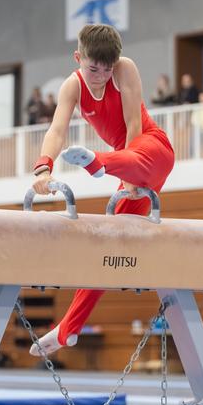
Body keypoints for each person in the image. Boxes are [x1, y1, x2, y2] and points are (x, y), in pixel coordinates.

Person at [29, 24, 175, 357]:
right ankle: (67, 329)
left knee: (134, 155)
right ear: (79, 57)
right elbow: (56, 129)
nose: (100, 75)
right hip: (134, 177)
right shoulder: (73, 86)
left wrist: (129, 181)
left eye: (106, 69)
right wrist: (44, 166)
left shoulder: (125, 69)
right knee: (106, 253)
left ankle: (99, 162)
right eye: (93, 67)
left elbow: (135, 128)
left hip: (151, 150)